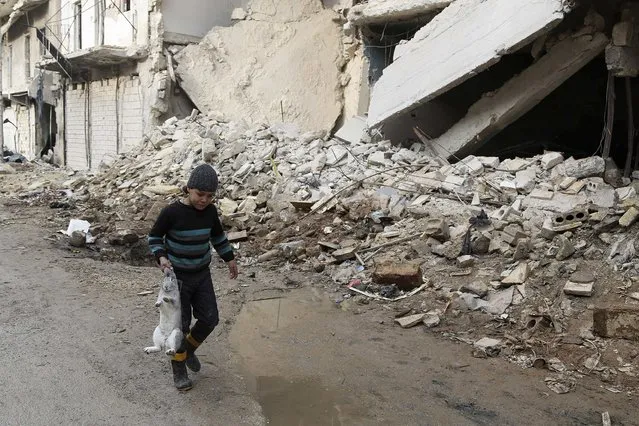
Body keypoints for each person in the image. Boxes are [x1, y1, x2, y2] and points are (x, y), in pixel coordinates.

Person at [148, 164, 239, 391]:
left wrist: (229, 258)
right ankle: (178, 370)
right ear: (188, 189)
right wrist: (161, 257)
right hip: (177, 281)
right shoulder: (172, 213)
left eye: (210, 196)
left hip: (202, 275)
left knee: (210, 319)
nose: (204, 200)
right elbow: (155, 238)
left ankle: (187, 351)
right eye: (200, 194)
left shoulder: (209, 212)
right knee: (181, 326)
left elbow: (217, 237)